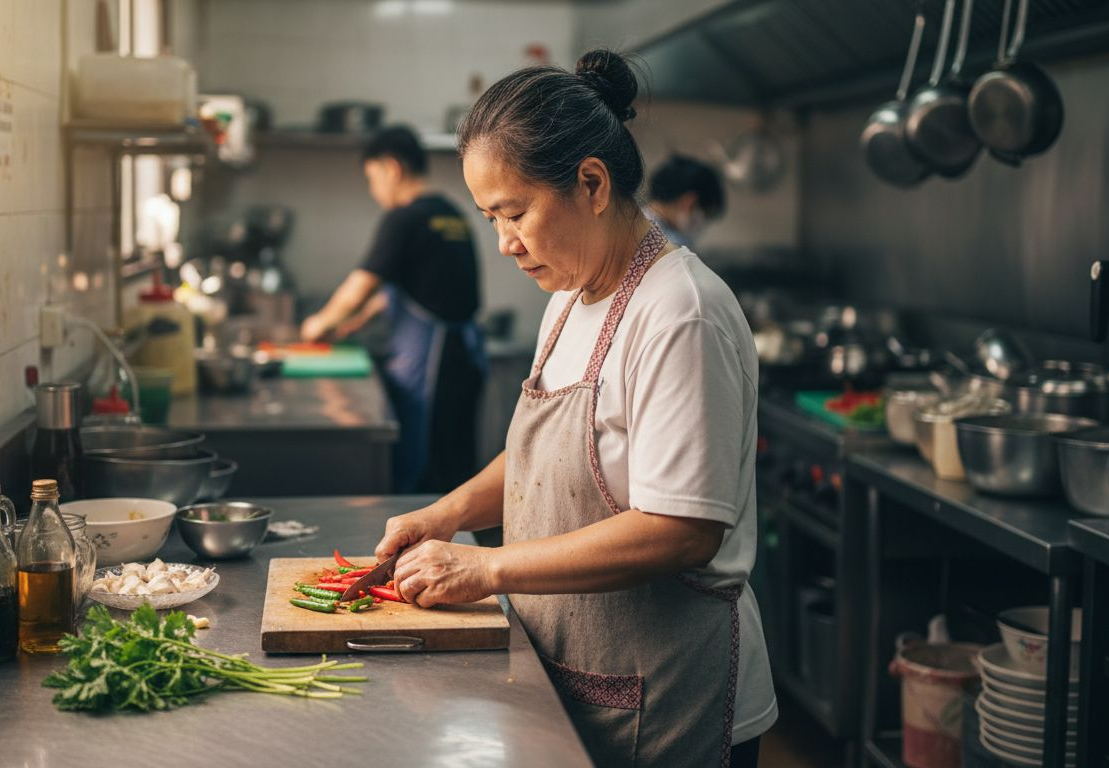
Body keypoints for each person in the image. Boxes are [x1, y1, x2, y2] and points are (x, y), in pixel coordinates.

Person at [370, 51, 776, 768]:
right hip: (575, 683)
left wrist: (488, 568)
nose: (504, 243)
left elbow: (681, 529)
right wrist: (448, 513)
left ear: (591, 182)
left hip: (670, 699)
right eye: (491, 217)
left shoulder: (678, 312)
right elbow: (540, 459)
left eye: (516, 212)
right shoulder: (570, 297)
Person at [301, 126, 485, 494]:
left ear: (391, 168)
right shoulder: (450, 213)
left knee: (428, 469)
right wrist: (357, 321)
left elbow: (362, 284)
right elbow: (407, 291)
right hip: (463, 355)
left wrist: (318, 324)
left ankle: (437, 549)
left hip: (431, 364)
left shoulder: (404, 218)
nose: (374, 190)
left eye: (372, 178)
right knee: (455, 460)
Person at [645, 153, 725, 249]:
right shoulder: (671, 244)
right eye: (706, 215)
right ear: (689, 203)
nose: (701, 227)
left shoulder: (635, 221)